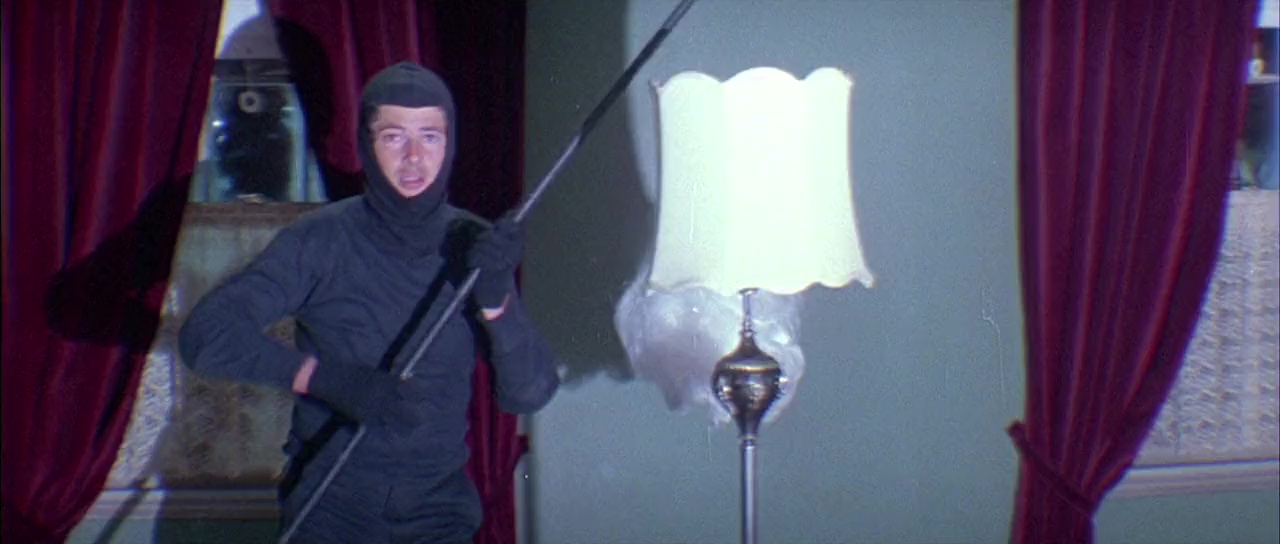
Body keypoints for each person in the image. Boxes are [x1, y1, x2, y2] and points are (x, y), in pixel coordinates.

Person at [178, 61, 560, 543]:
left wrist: (497, 302)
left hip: (438, 517)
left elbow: (529, 393)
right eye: (394, 137)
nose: (414, 157)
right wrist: (325, 379)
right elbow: (205, 336)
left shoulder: (475, 244)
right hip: (329, 514)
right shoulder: (320, 240)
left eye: (430, 137)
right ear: (366, 143)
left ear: (450, 144)